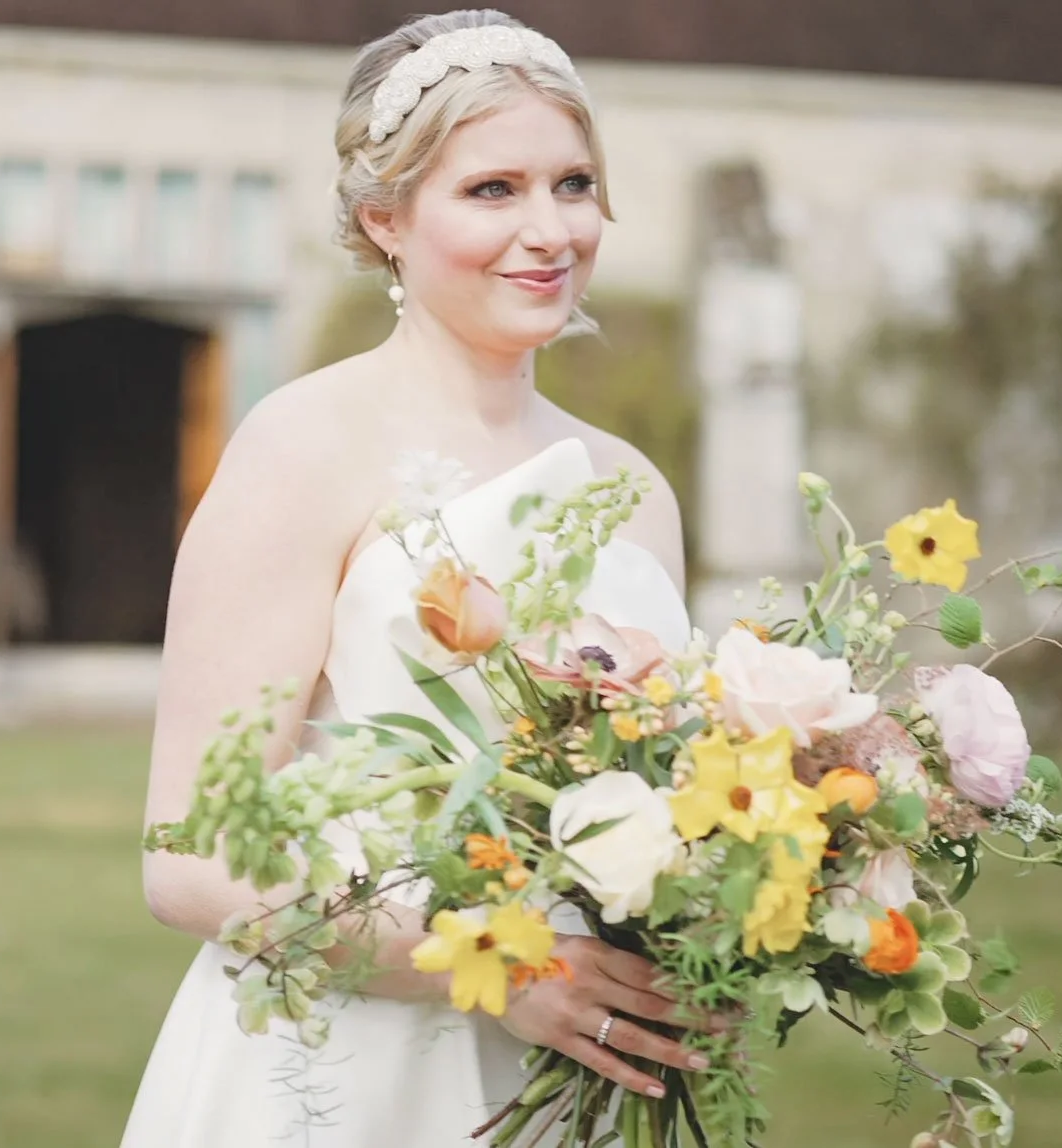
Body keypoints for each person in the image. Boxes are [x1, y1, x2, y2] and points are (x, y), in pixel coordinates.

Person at [124, 11, 704, 1144]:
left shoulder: (634, 488)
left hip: (576, 1079)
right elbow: (190, 861)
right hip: (346, 1070)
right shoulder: (302, 446)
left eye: (573, 184)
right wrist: (493, 970)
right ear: (382, 217)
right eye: (493, 190)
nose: (549, 230)